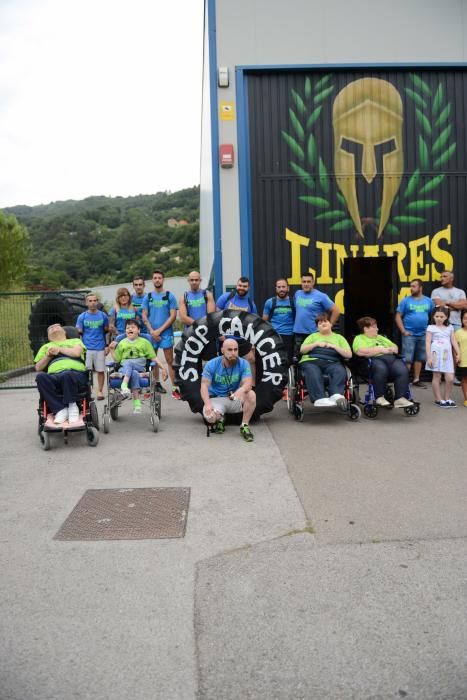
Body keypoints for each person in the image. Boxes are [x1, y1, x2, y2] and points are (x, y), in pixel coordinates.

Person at [201, 338, 256, 442]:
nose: (233, 353)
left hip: (234, 398)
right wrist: (208, 404)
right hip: (216, 399)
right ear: (222, 350)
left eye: (236, 349)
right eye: (230, 350)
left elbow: (248, 383)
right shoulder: (212, 364)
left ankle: (244, 426)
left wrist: (241, 390)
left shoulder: (244, 363)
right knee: (210, 418)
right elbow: (204, 386)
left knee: (251, 394)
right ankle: (220, 419)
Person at [352, 316, 413, 408]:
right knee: (381, 369)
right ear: (366, 329)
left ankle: (400, 398)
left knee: (403, 370)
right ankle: (379, 397)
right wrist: (380, 350)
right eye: (374, 327)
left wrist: (392, 348)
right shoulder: (359, 338)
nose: (377, 329)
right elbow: (360, 351)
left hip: (391, 359)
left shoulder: (380, 337)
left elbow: (395, 347)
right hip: (374, 360)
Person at [34, 323, 88, 426]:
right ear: (49, 337)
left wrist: (59, 350)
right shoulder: (46, 347)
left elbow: (77, 353)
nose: (53, 327)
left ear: (65, 332)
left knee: (66, 374)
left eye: (57, 326)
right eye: (50, 328)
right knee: (40, 377)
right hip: (54, 376)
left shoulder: (75, 341)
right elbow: (38, 367)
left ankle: (72, 407)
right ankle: (60, 409)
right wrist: (48, 356)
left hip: (75, 374)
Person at [109, 319, 168, 414]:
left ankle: (124, 385)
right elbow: (117, 360)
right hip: (126, 368)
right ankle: (137, 405)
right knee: (134, 373)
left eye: (132, 327)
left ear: (139, 331)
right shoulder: (122, 343)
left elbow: (153, 357)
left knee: (129, 363)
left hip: (140, 365)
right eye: (127, 328)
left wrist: (163, 368)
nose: (130, 329)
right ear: (125, 331)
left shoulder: (144, 342)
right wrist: (112, 349)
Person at [298, 312, 352, 407]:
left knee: (340, 370)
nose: (323, 324)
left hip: (331, 362)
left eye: (325, 321)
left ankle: (335, 394)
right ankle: (319, 398)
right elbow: (302, 350)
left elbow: (349, 355)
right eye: (319, 323)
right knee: (313, 370)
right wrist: (316, 344)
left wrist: (335, 346)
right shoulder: (312, 336)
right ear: (317, 327)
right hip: (311, 361)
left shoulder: (339, 338)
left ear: (330, 324)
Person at [142, 269, 179, 398]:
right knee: (153, 361)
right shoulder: (148, 297)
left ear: (163, 280)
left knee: (170, 360)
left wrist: (160, 330)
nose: (157, 280)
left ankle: (175, 387)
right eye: (155, 278)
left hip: (166, 333)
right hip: (151, 334)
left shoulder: (170, 296)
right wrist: (152, 331)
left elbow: (173, 315)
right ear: (152, 280)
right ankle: (156, 384)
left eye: (159, 278)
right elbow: (144, 315)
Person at [216, 276, 258, 382]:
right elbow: (215, 316)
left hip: (242, 337)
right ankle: (226, 385)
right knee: (227, 361)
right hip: (227, 337)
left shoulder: (250, 303)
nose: (241, 288)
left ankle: (251, 385)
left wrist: (252, 342)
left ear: (248, 288)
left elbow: (254, 323)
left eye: (244, 286)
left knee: (251, 359)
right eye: (240, 285)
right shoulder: (226, 297)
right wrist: (220, 334)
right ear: (236, 285)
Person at [395, 279, 435, 388]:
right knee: (407, 358)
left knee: (420, 358)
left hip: (423, 334)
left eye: (414, 286)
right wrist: (403, 330)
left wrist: (430, 330)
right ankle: (404, 380)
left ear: (420, 287)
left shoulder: (428, 301)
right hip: (409, 334)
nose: (411, 288)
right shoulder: (406, 301)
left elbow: (433, 315)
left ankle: (416, 380)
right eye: (410, 286)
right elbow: (398, 316)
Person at [293, 273, 340, 352]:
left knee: (313, 357)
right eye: (304, 282)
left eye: (308, 282)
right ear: (301, 282)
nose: (306, 284)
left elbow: (336, 311)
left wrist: (329, 326)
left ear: (313, 282)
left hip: (314, 333)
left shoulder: (321, 296)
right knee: (298, 359)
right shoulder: (297, 294)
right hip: (298, 334)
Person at [76, 292, 109, 400]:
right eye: (90, 301)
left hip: (100, 347)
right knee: (86, 371)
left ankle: (99, 391)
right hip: (87, 348)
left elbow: (107, 332)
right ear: (86, 303)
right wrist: (80, 348)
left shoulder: (103, 315)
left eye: (95, 300)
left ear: (97, 302)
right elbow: (79, 333)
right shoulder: (82, 317)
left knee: (100, 370)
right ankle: (87, 392)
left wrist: (107, 345)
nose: (93, 303)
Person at [425, 307, 460, 408]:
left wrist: (458, 353)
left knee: (450, 378)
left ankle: (447, 398)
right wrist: (429, 357)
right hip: (435, 354)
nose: (439, 318)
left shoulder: (450, 328)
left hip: (447, 355)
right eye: (437, 316)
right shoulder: (431, 327)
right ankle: (438, 399)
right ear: (433, 316)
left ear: (446, 317)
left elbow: (453, 341)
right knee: (437, 376)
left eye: (441, 316)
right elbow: (427, 343)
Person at [262, 278, 295, 366]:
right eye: (279, 287)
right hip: (274, 336)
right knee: (275, 361)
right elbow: (263, 322)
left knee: (288, 361)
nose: (281, 289)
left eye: (283, 287)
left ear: (288, 288)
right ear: (276, 288)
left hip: (289, 336)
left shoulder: (294, 302)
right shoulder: (269, 302)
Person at [455, 309, 467, 407]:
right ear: (462, 320)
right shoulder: (458, 332)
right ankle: (466, 399)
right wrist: (457, 357)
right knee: (464, 380)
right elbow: (455, 347)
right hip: (464, 361)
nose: (466, 320)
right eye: (465, 318)